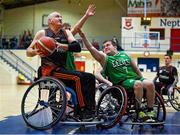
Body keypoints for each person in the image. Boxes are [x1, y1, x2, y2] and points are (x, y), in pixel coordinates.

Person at [26, 11, 96, 120]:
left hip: (62, 70)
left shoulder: (66, 32)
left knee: (90, 77)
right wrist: (36, 51)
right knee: (77, 78)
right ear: (50, 21)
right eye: (57, 16)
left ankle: (90, 109)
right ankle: (81, 109)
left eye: (61, 16)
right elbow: (28, 51)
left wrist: (61, 46)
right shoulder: (42, 33)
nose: (60, 18)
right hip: (49, 71)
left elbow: (77, 47)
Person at [78, 29, 156, 119]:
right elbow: (91, 49)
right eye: (104, 47)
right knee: (138, 84)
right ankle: (138, 111)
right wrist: (84, 38)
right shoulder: (105, 58)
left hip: (134, 78)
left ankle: (150, 111)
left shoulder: (125, 55)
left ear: (115, 47)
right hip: (122, 82)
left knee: (150, 84)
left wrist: (143, 79)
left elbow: (136, 69)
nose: (105, 47)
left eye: (108, 45)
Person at [63, 4, 96, 70]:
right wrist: (86, 16)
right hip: (65, 71)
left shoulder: (70, 40)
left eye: (69, 29)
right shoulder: (61, 38)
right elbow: (77, 28)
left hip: (72, 70)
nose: (68, 30)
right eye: (66, 28)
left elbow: (76, 28)